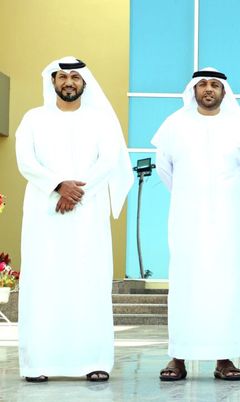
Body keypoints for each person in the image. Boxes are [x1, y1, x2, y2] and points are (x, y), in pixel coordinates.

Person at [15, 56, 133, 382]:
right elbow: (25, 161)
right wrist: (58, 186)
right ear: (53, 81)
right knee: (43, 282)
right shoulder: (33, 118)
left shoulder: (101, 121)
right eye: (63, 77)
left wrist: (75, 193)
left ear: (84, 83)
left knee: (89, 281)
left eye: (75, 77)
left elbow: (108, 161)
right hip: (44, 214)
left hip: (88, 215)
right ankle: (37, 363)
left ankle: (94, 361)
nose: (69, 82)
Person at [151, 68, 240, 381]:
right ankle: (178, 357)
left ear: (224, 91)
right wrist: (192, 194)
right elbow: (165, 170)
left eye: (214, 85)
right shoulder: (175, 124)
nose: (208, 89)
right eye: (202, 85)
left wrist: (222, 195)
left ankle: (224, 358)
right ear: (193, 90)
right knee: (185, 285)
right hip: (187, 220)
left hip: (228, 223)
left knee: (225, 287)